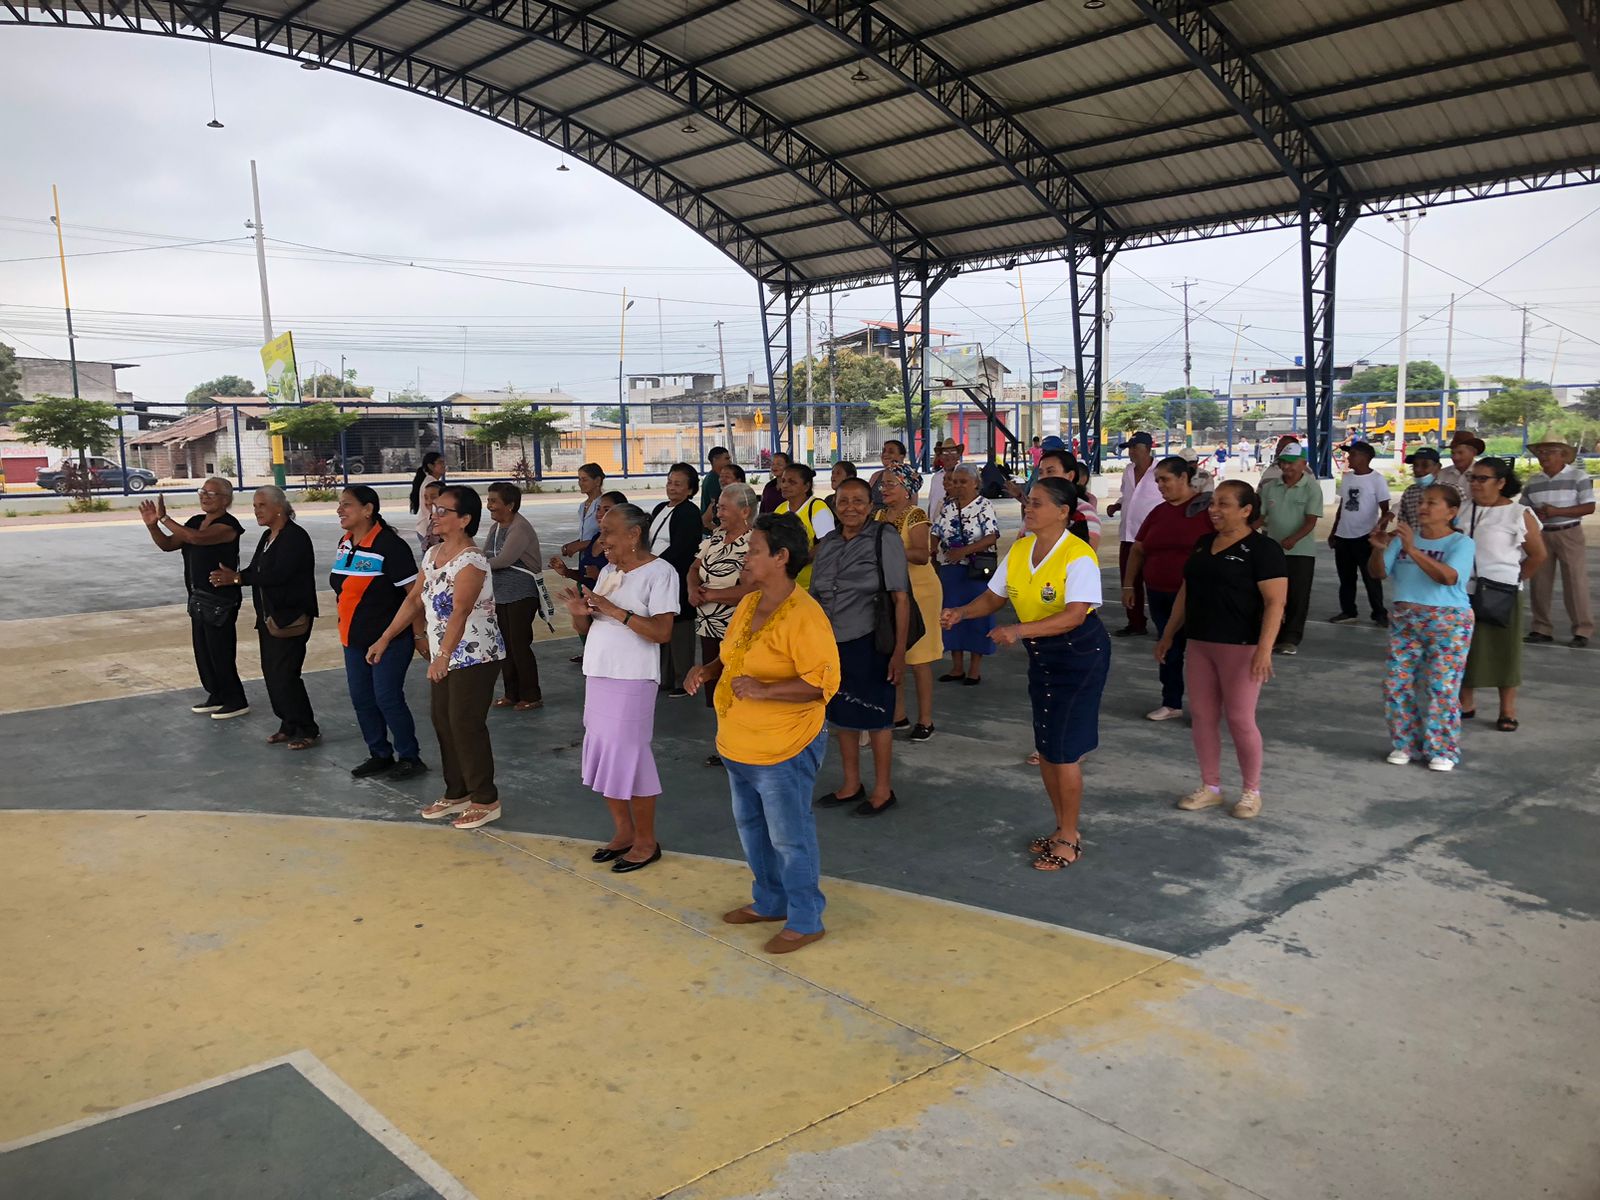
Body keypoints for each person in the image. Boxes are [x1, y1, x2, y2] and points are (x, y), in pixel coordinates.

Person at [684, 513, 841, 955]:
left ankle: (806, 919)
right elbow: (731, 656)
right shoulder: (751, 602)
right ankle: (770, 901)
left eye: (753, 550)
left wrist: (766, 689)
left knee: (789, 836)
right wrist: (707, 669)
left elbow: (822, 684)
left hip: (783, 747)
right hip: (739, 742)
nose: (745, 558)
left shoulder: (805, 616)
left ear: (781, 557)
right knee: (752, 827)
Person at [940, 477, 1108, 871]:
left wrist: (1018, 630)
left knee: (1064, 751)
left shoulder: (1078, 555)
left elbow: (1074, 615)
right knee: (1047, 746)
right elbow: (993, 597)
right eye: (1027, 502)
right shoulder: (1021, 549)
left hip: (1079, 655)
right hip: (1043, 654)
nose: (1028, 509)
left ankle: (1070, 836)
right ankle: (1060, 826)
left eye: (1037, 503)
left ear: (1063, 512)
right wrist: (963, 612)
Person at [368, 485, 506, 827]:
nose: (434, 514)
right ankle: (457, 791)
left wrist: (443, 655)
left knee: (465, 723)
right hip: (445, 655)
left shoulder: (472, 560)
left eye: (443, 510)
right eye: (433, 509)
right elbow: (414, 599)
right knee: (443, 721)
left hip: (474, 655)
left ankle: (485, 798)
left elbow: (461, 610)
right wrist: (385, 637)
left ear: (465, 519)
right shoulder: (432, 554)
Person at [560, 503, 679, 872]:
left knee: (630, 756)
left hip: (632, 676)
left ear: (634, 534)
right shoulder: (610, 571)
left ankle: (646, 841)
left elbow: (662, 632)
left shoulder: (660, 573)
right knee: (604, 753)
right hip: (600, 672)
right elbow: (591, 626)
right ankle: (624, 832)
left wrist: (613, 610)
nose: (602, 541)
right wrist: (579, 616)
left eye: (608, 532)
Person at [1156, 481, 1287, 819]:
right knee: (1202, 716)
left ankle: (1251, 791)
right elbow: (1187, 591)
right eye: (1212, 503)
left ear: (1246, 510)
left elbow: (1275, 603)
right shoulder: (1203, 543)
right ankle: (1210, 787)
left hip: (1241, 647)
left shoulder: (1264, 549)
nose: (1213, 510)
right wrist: (1169, 633)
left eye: (1223, 504)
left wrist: (1265, 649)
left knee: (1240, 719)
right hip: (1200, 643)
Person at [811, 476, 910, 815]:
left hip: (870, 641)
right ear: (834, 506)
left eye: (858, 501)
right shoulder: (827, 543)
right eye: (843, 501)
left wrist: (899, 652)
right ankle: (851, 784)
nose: (850, 507)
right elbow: (815, 594)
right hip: (831, 643)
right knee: (842, 714)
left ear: (870, 506)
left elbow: (900, 598)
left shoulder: (884, 537)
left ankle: (883, 790)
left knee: (877, 716)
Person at [1369, 485, 1477, 771]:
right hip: (1406, 620)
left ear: (1451, 512)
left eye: (1432, 503)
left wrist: (1412, 550)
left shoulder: (1460, 543)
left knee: (1441, 685)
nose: (1423, 508)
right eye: (1423, 502)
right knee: (1396, 682)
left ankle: (1442, 749)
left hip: (1449, 621)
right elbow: (1378, 573)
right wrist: (1379, 551)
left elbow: (1448, 577)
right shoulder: (1402, 538)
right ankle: (1405, 743)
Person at [207, 486, 320, 748]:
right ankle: (288, 723)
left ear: (279, 507)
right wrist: (235, 576)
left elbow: (278, 575)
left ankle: (307, 728)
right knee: (271, 673)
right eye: (255, 506)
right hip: (269, 617)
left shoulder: (294, 537)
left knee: (286, 674)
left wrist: (238, 579)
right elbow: (255, 569)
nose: (256, 511)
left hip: (290, 617)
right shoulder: (268, 536)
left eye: (261, 505)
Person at [330, 485, 426, 781]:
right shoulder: (345, 543)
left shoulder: (390, 546)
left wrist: (419, 635)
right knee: (362, 698)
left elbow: (415, 596)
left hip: (389, 640)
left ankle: (409, 757)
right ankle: (379, 754)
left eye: (347, 504)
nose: (339, 510)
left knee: (387, 698)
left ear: (368, 509)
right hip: (352, 639)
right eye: (339, 504)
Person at [139, 479, 248, 719]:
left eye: (211, 493)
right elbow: (169, 544)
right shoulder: (195, 521)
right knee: (204, 652)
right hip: (197, 597)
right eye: (202, 491)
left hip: (220, 600)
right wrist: (153, 526)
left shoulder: (228, 526)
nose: (204, 496)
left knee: (220, 651)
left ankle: (235, 699)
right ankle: (216, 694)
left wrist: (165, 518)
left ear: (226, 500)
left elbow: (197, 538)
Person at [1459, 458, 1546, 732]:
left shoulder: (1519, 514)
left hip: (1501, 592)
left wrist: (1514, 580)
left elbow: (1537, 555)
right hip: (1463, 591)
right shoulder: (1461, 509)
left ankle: (1507, 709)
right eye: (1472, 478)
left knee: (1505, 650)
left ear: (1501, 482)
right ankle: (1465, 702)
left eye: (1482, 479)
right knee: (1463, 649)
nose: (1475, 484)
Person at [1126, 456, 1213, 721]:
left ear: (1183, 478)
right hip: (1158, 593)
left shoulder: (1206, 510)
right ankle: (1171, 702)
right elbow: (1138, 549)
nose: (1160, 486)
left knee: (1200, 653)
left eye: (1165, 479)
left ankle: (1205, 709)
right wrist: (1128, 584)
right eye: (1157, 481)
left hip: (1198, 596)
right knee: (1168, 649)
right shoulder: (1158, 512)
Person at [690, 482, 759, 748]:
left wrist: (711, 595)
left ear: (745, 511)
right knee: (717, 686)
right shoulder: (716, 537)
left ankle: (742, 744)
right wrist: (692, 588)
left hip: (737, 627)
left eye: (723, 508)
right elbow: (694, 568)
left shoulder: (755, 543)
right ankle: (726, 742)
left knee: (738, 685)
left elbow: (753, 590)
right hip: (709, 625)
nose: (718, 513)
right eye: (718, 508)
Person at [877, 463, 941, 741]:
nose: (884, 489)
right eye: (883, 484)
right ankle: (898, 715)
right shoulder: (879, 514)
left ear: (906, 489)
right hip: (893, 592)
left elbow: (921, 555)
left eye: (891, 484)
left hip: (921, 592)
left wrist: (890, 549)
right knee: (896, 654)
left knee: (919, 658)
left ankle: (926, 720)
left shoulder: (916, 515)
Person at [1522, 432, 1594, 648]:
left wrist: (1557, 511)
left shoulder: (1578, 477)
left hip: (1569, 532)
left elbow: (1589, 507)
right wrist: (1536, 514)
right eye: (1540, 452)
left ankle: (1582, 630)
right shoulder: (1533, 481)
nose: (1543, 456)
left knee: (1575, 581)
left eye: (1550, 451)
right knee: (1539, 582)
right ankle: (1541, 628)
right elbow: (1524, 509)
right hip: (1541, 534)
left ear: (1563, 454)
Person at [930, 463, 1000, 685]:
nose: (958, 486)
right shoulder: (948, 507)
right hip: (951, 571)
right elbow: (935, 531)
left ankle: (974, 669)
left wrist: (964, 551)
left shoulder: (984, 506)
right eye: (955, 482)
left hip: (976, 571)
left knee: (977, 618)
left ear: (975, 483)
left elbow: (991, 536)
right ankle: (957, 667)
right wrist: (931, 551)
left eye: (963, 482)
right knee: (951, 616)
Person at [483, 482, 545, 712]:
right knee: (505, 645)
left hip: (521, 594)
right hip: (501, 594)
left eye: (494, 501)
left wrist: (473, 565)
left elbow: (503, 560)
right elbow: (486, 553)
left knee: (519, 645)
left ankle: (531, 695)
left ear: (509, 505)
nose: (489, 505)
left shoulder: (519, 528)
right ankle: (512, 693)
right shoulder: (496, 527)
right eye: (488, 500)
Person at [1258, 441, 1323, 655]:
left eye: (1291, 463)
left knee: (1297, 596)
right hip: (1273, 552)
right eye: (1283, 463)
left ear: (1303, 463)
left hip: (1301, 552)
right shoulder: (1270, 487)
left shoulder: (1312, 487)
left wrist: (1293, 539)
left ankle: (1291, 638)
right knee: (1272, 595)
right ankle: (1273, 634)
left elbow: (1311, 521)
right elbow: (1261, 517)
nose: (1286, 467)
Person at [650, 462, 706, 696]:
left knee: (680, 629)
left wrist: (655, 565)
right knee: (662, 624)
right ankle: (665, 677)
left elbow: (682, 548)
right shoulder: (661, 508)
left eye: (678, 484)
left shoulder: (689, 512)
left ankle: (682, 680)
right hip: (658, 576)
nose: (672, 487)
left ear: (690, 489)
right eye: (670, 482)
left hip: (677, 578)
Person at [551, 489, 625, 663]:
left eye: (607, 509)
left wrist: (599, 575)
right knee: (591, 640)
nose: (600, 514)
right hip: (591, 605)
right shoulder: (595, 539)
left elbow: (628, 578)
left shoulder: (623, 544)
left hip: (612, 610)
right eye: (598, 509)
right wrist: (566, 571)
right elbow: (585, 576)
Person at [1327, 440, 1391, 627]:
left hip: (1365, 536)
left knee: (1371, 577)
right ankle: (1348, 611)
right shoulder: (1348, 478)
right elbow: (1342, 506)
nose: (1349, 457)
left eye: (1353, 454)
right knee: (1346, 578)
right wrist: (1334, 531)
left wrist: (1379, 533)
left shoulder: (1376, 479)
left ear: (1364, 457)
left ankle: (1379, 613)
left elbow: (1385, 510)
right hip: (1344, 535)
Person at [1107, 431, 1160, 636]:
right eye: (1129, 448)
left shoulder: (1160, 471)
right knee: (1129, 582)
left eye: (1135, 448)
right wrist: (1117, 505)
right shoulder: (1128, 471)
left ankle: (1165, 625)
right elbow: (1127, 495)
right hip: (1128, 536)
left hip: (1153, 537)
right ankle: (1136, 623)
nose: (1131, 452)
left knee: (1155, 582)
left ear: (1148, 449)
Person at [774, 463, 836, 588]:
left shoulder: (817, 507)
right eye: (783, 481)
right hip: (785, 586)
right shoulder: (779, 509)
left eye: (792, 482)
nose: (785, 485)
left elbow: (828, 543)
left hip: (812, 586)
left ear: (806, 486)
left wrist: (798, 562)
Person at [561, 463, 607, 561]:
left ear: (597, 481)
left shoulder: (605, 505)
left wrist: (580, 545)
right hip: (585, 557)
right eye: (579, 479)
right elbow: (587, 535)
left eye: (585, 480)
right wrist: (574, 544)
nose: (580, 483)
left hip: (600, 558)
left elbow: (607, 536)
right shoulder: (582, 506)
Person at [1397, 446, 1442, 531]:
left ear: (1438, 467)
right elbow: (1403, 524)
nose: (1418, 469)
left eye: (1425, 465)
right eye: (1415, 465)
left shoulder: (1452, 491)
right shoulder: (1409, 492)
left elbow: (1460, 525)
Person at [1436, 430, 1485, 502]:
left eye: (1460, 453)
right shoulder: (1442, 474)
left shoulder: (1483, 474)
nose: (1455, 457)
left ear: (1473, 453)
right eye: (1453, 453)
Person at [869, 439, 914, 509]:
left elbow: (912, 504)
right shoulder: (876, 475)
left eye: (891, 452)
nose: (885, 454)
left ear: (902, 456)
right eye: (884, 451)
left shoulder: (909, 476)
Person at [924, 439, 961, 523]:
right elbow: (932, 502)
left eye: (953, 452)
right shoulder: (936, 477)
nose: (949, 455)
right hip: (935, 525)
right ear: (940, 457)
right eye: (945, 453)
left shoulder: (965, 475)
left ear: (958, 455)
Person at [701, 446, 731, 530]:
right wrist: (719, 530)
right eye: (726, 458)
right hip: (712, 529)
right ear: (715, 460)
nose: (730, 461)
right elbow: (714, 505)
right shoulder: (713, 480)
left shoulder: (715, 477)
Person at [407, 450, 446, 516]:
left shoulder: (430, 481)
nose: (444, 465)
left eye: (444, 462)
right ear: (430, 466)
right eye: (440, 462)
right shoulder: (431, 484)